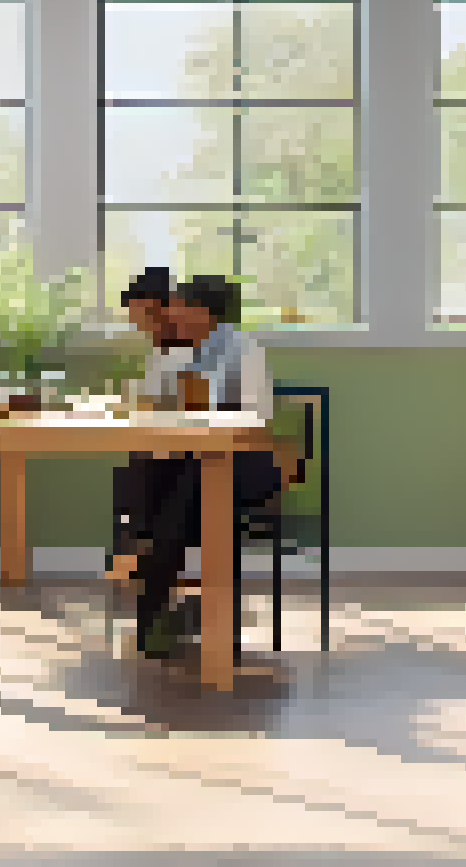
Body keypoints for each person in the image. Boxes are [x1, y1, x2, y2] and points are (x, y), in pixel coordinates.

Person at [125, 274, 279, 658]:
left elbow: (258, 418)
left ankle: (158, 615)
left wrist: (206, 417)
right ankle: (178, 614)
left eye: (177, 305)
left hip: (244, 463)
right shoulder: (170, 352)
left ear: (203, 311)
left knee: (192, 482)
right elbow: (150, 406)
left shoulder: (244, 349)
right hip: (188, 461)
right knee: (150, 471)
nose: (169, 311)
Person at [109, 269, 190, 584]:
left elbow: (180, 403)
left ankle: (139, 565)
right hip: (168, 443)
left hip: (193, 449)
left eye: (139, 314)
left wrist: (138, 405)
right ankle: (137, 564)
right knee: (134, 469)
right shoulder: (162, 349)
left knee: (139, 472)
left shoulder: (186, 348)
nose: (136, 324)